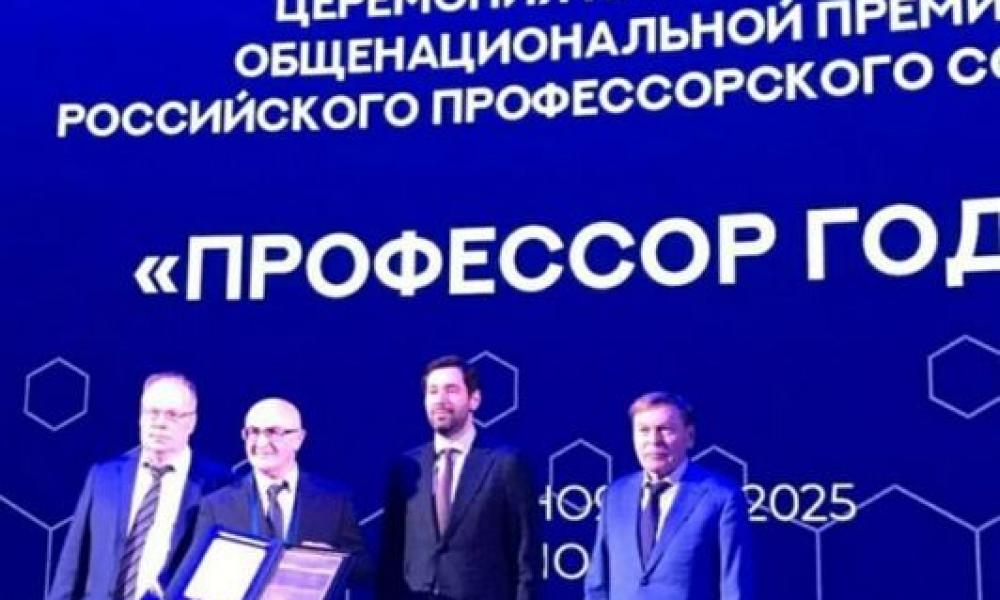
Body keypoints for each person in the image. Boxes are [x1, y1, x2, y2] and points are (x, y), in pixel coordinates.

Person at [49, 372, 228, 600]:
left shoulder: (218, 485)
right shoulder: (104, 477)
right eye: (152, 412)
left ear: (192, 422)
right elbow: (71, 565)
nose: (159, 423)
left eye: (172, 415)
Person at [378, 355, 539, 600]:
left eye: (451, 390)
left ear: (474, 399)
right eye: (433, 391)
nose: (440, 400)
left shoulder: (506, 464)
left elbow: (526, 557)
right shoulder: (405, 468)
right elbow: (391, 556)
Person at [178, 397, 368, 588]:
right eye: (253, 432)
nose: (261, 442)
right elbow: (197, 576)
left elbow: (364, 570)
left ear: (298, 439)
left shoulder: (334, 501)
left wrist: (331, 560)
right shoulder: (216, 505)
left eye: (273, 432)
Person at [584, 391, 753, 600]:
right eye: (644, 430)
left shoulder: (721, 498)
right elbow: (597, 585)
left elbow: (734, 589)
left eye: (665, 430)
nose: (654, 441)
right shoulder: (616, 496)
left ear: (689, 437)